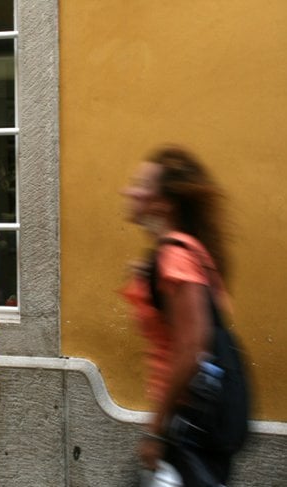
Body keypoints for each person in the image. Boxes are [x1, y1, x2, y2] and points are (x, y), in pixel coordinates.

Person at [121, 145, 234, 485]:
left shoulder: (174, 256)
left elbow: (191, 347)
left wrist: (156, 431)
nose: (129, 191)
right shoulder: (182, 250)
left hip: (186, 423)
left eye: (141, 185)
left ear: (163, 202)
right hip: (188, 419)